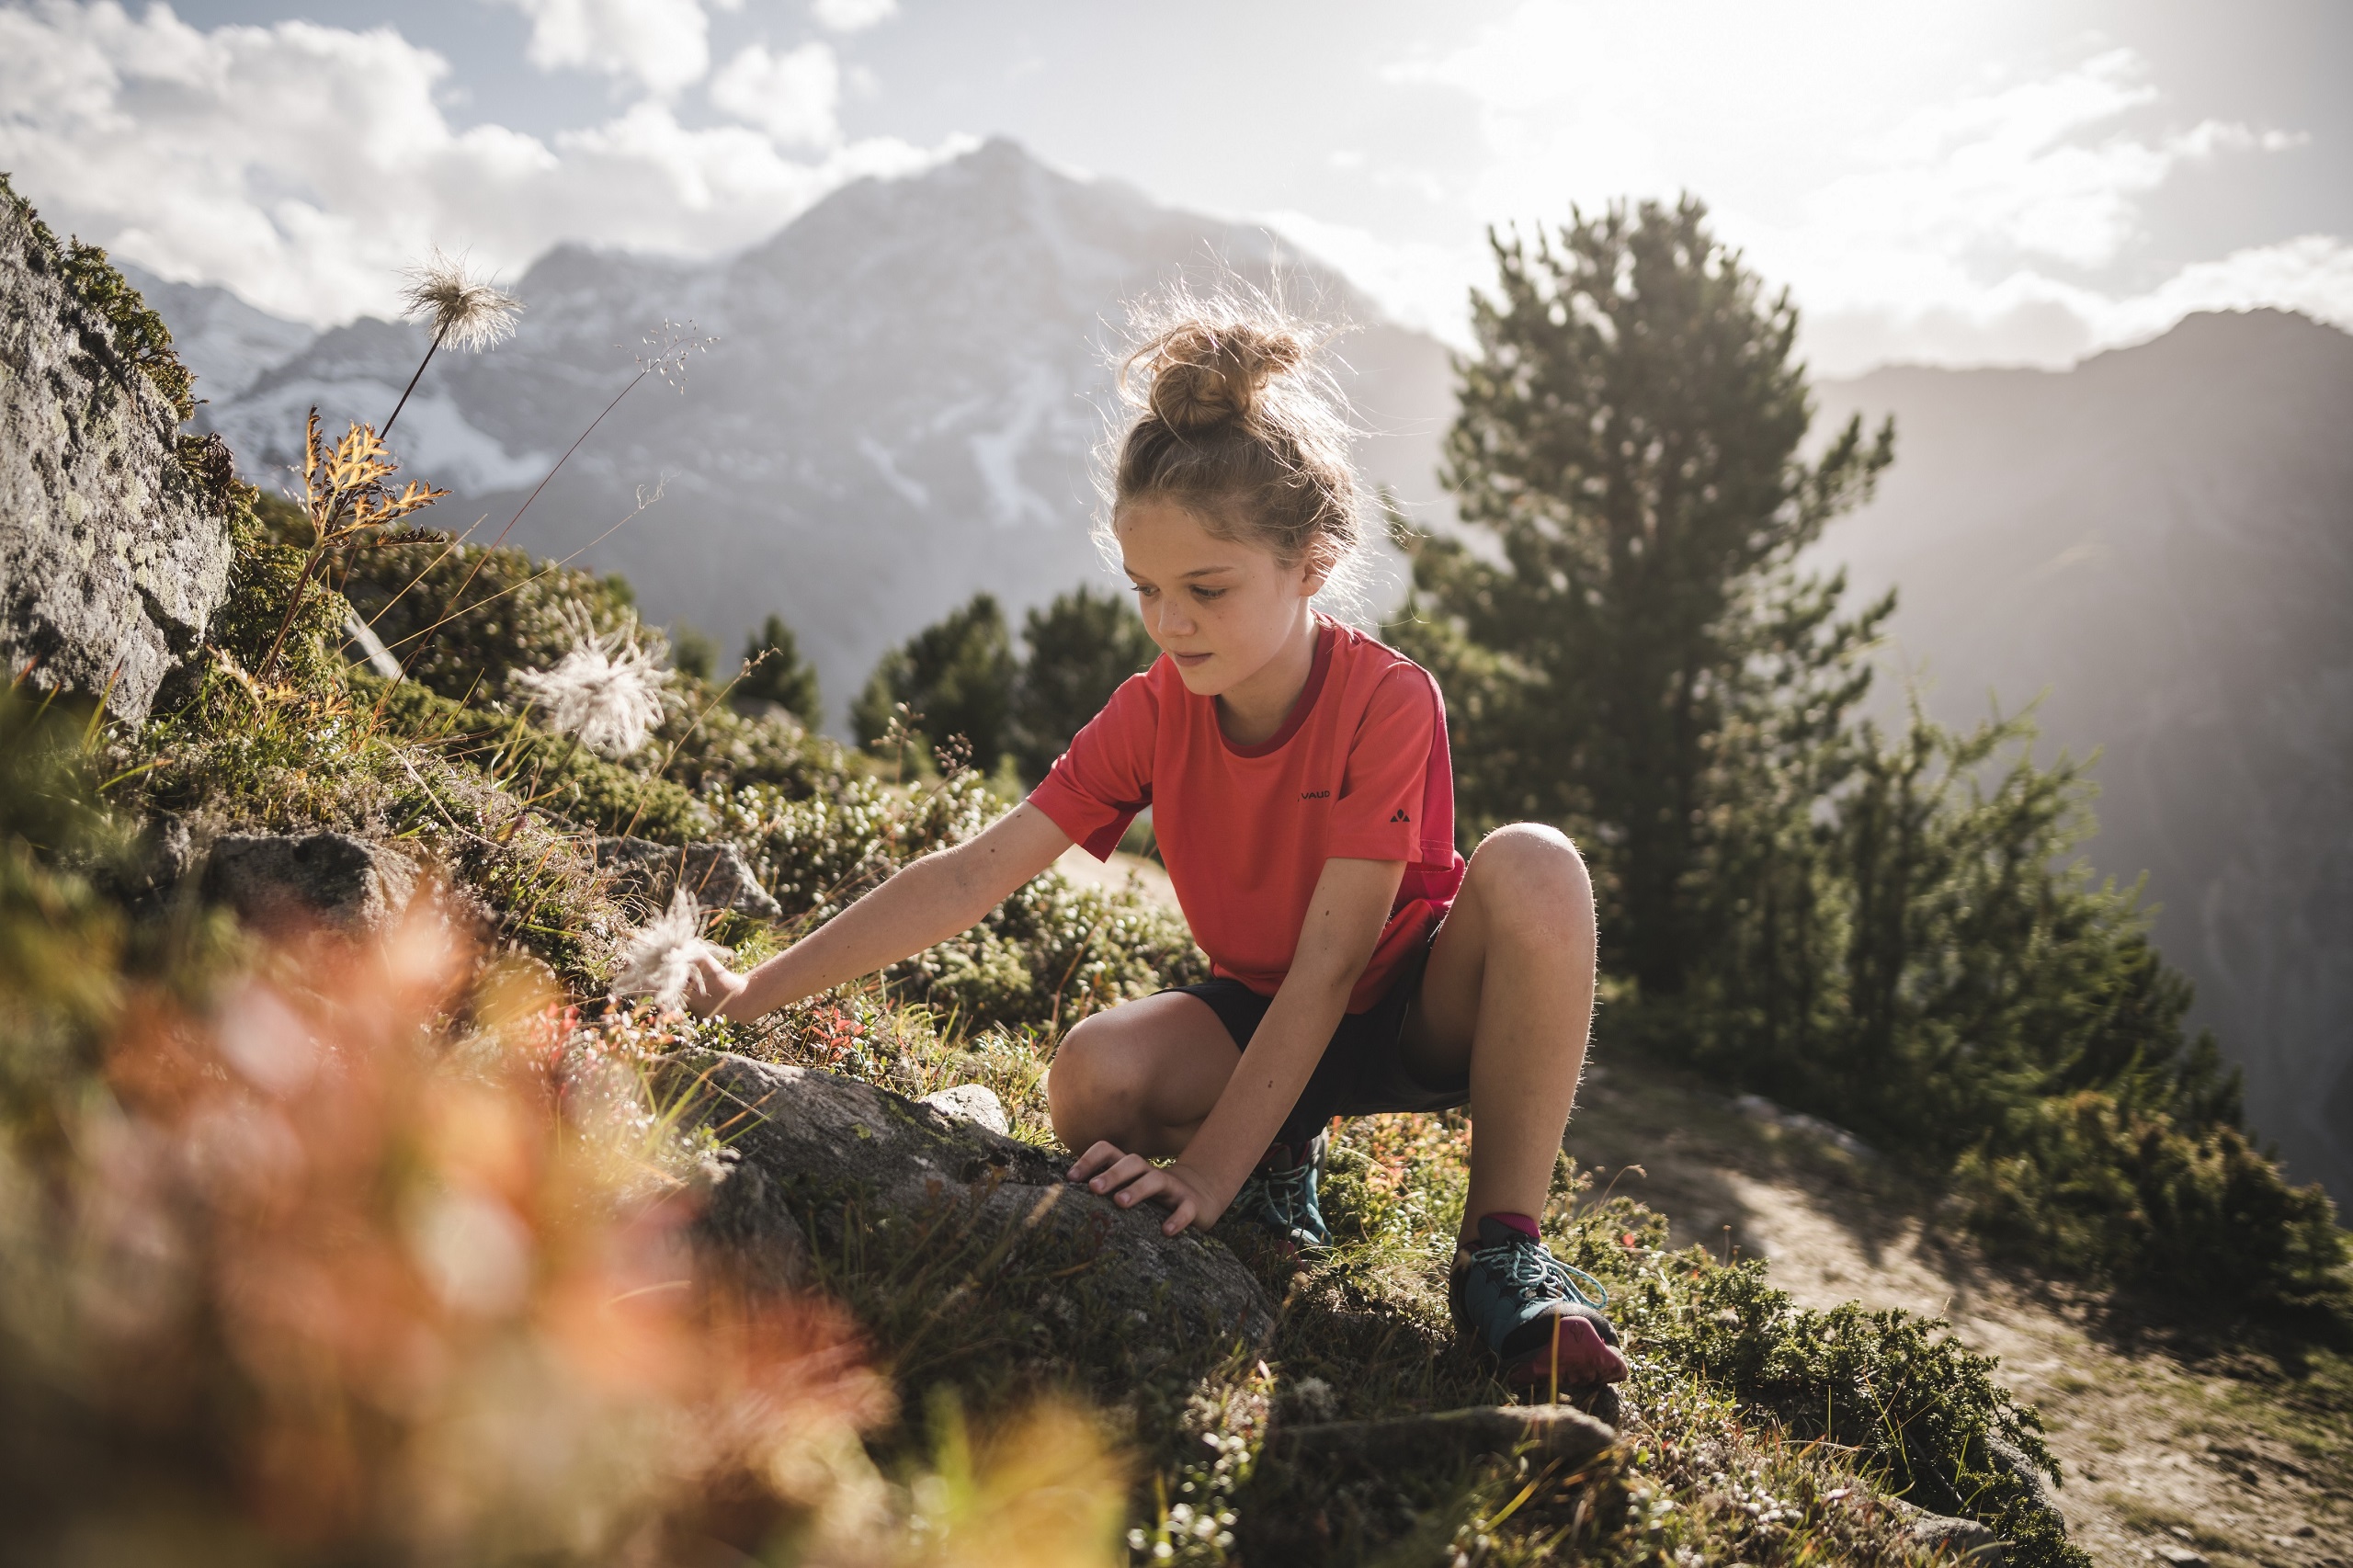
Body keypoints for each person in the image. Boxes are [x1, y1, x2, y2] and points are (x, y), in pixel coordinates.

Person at [683, 296, 1627, 1393]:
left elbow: (1333, 965)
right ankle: (1284, 1160)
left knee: (1538, 862)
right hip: (1257, 1009)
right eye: (1147, 591)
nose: (1169, 623)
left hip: (1410, 1005)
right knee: (1092, 1076)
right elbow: (974, 872)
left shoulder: (1387, 700)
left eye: (1206, 589)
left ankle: (1498, 1250)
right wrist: (754, 989)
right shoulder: (1153, 707)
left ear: (1312, 562)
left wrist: (1207, 1171)